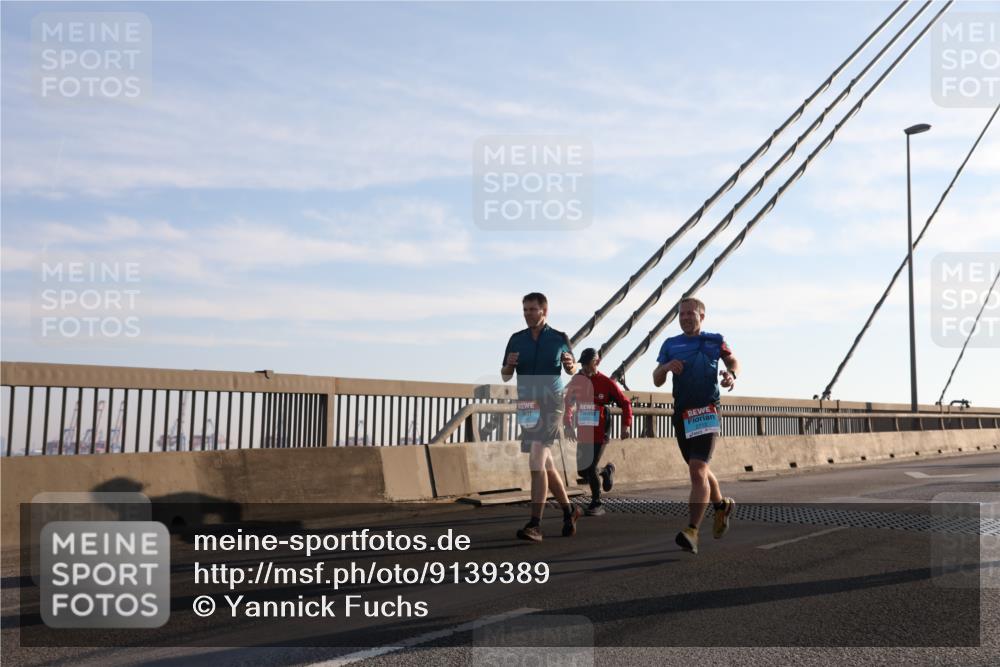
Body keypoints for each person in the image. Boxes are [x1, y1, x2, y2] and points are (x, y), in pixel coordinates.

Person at [653, 297, 740, 554]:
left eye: (691, 313)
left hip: (707, 411)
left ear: (702, 316)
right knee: (699, 470)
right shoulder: (670, 344)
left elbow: (733, 361)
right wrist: (667, 367)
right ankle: (721, 506)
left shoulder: (714, 340)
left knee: (697, 469)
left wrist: (730, 375)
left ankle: (692, 530)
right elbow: (657, 379)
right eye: (682, 314)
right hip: (682, 414)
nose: (686, 318)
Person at [502, 292, 581, 542]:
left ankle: (535, 524)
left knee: (537, 457)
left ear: (544, 311)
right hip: (527, 403)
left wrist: (571, 366)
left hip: (551, 402)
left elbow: (573, 368)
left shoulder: (559, 339)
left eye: (532, 310)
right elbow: (505, 375)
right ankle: (570, 511)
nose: (527, 314)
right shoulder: (516, 340)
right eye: (524, 310)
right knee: (545, 463)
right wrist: (509, 366)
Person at [564, 348, 633, 515]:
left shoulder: (607, 383)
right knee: (583, 471)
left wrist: (626, 425)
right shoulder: (577, 380)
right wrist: (567, 423)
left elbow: (625, 403)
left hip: (601, 429)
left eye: (589, 365)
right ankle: (606, 471)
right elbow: (568, 403)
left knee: (590, 465)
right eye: (584, 365)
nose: (586, 369)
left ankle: (597, 503)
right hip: (584, 430)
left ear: (597, 363)